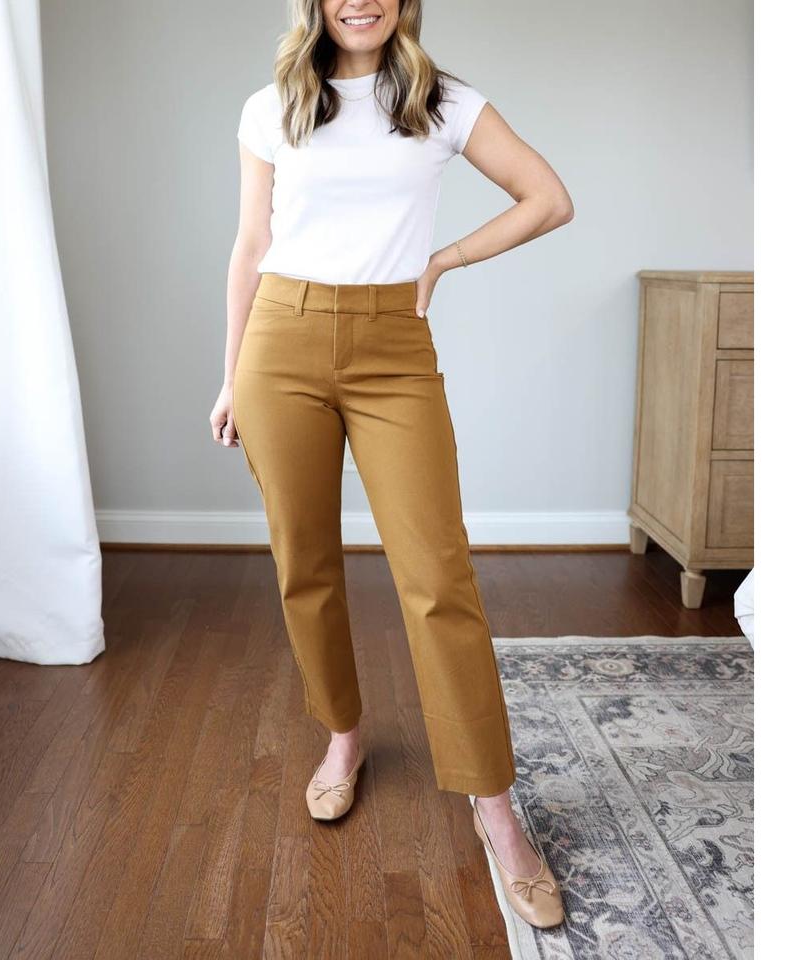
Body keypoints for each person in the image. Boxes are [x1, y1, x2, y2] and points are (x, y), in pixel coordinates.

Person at [210, 0, 573, 930]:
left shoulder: (441, 101)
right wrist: (231, 377)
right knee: (304, 562)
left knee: (437, 575)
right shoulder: (272, 106)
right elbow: (251, 246)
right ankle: (343, 737)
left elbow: (548, 197)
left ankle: (496, 808)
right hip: (280, 340)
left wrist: (444, 259)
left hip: (392, 345)